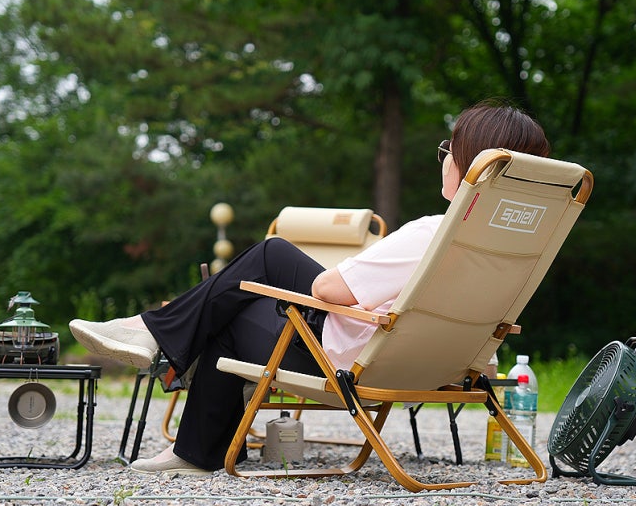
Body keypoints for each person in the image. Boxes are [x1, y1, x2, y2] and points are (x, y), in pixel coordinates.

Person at [69, 98, 551, 475]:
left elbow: (327, 290)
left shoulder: (433, 232)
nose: (443, 158)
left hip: (347, 360)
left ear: (471, 165)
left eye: (450, 148)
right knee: (246, 290)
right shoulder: (516, 247)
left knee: (267, 260)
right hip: (427, 365)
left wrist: (340, 274)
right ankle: (168, 371)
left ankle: (157, 345)